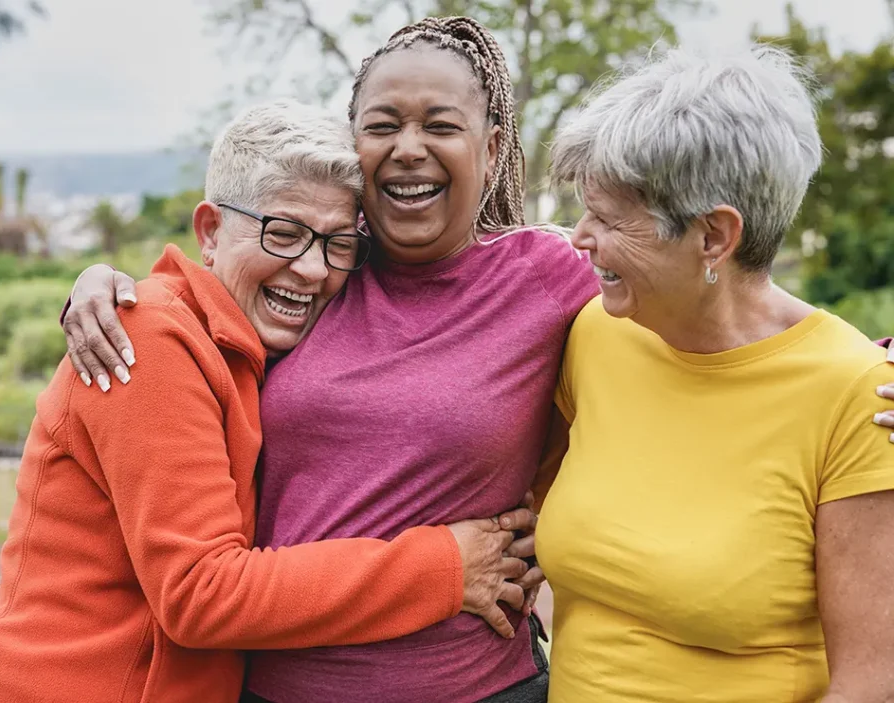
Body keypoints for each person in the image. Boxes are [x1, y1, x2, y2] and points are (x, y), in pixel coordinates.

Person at [60, 19, 894, 703]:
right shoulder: (314, 273)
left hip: (480, 687)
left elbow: (722, 311)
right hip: (276, 688)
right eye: (383, 125)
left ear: (491, 150)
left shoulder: (556, 282)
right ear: (356, 148)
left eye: (442, 126)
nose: (410, 147)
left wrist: (871, 364)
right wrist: (102, 286)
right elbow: (200, 296)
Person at [0, 99, 537, 703]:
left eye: (337, 244)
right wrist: (442, 568)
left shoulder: (259, 346)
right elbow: (201, 592)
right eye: (283, 233)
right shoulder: (148, 338)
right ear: (209, 231)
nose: (310, 268)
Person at [534, 46, 894, 702]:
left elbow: (871, 682)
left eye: (610, 219)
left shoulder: (858, 396)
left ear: (714, 238)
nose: (579, 237)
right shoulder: (596, 331)